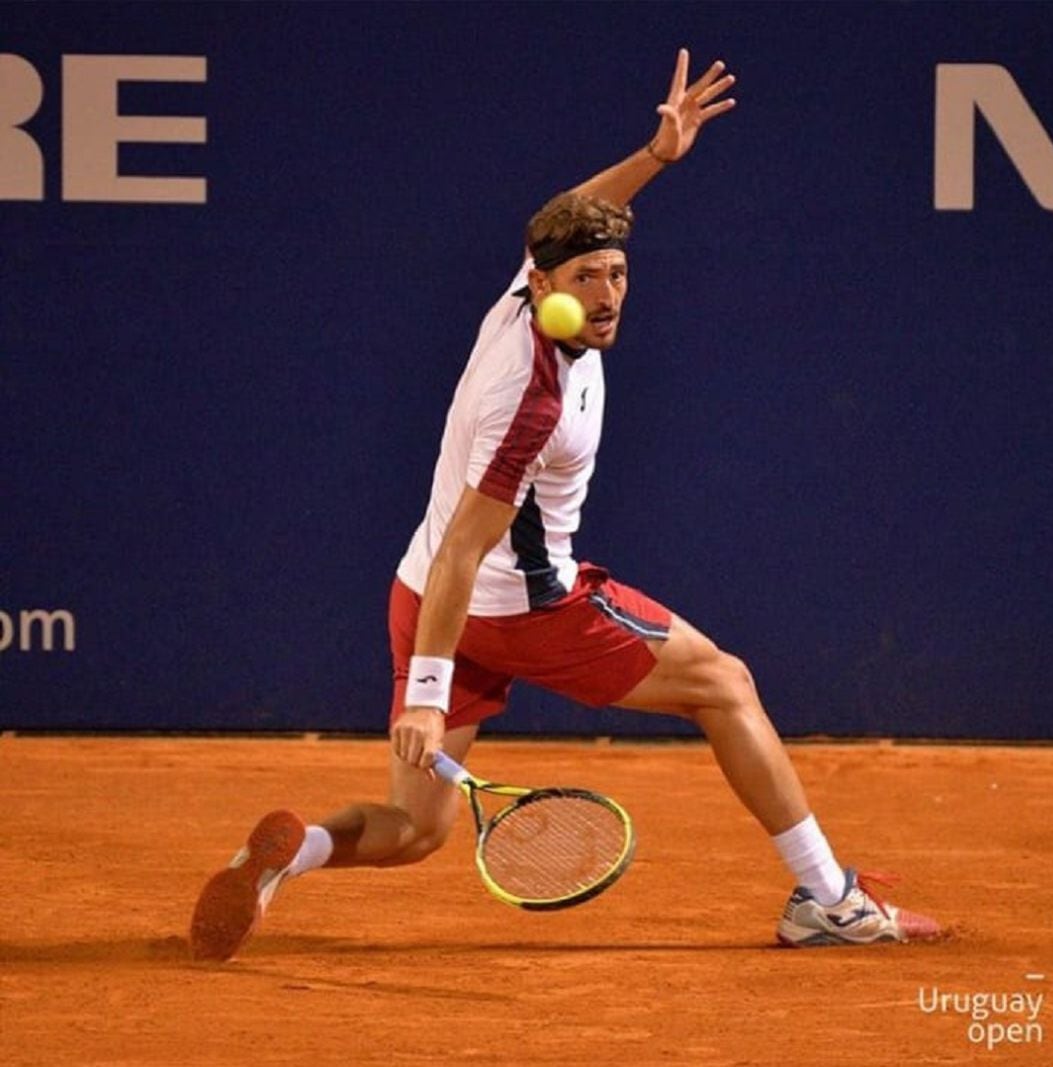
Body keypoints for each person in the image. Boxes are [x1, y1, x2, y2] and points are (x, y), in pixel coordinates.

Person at [190, 49, 940, 961]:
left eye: (618, 273)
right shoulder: (533, 398)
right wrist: (427, 696)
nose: (610, 293)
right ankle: (828, 898)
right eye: (590, 279)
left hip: (418, 591)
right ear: (547, 289)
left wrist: (657, 155)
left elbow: (571, 216)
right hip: (512, 607)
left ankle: (286, 854)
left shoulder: (524, 288)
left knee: (415, 827)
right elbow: (472, 544)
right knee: (724, 682)